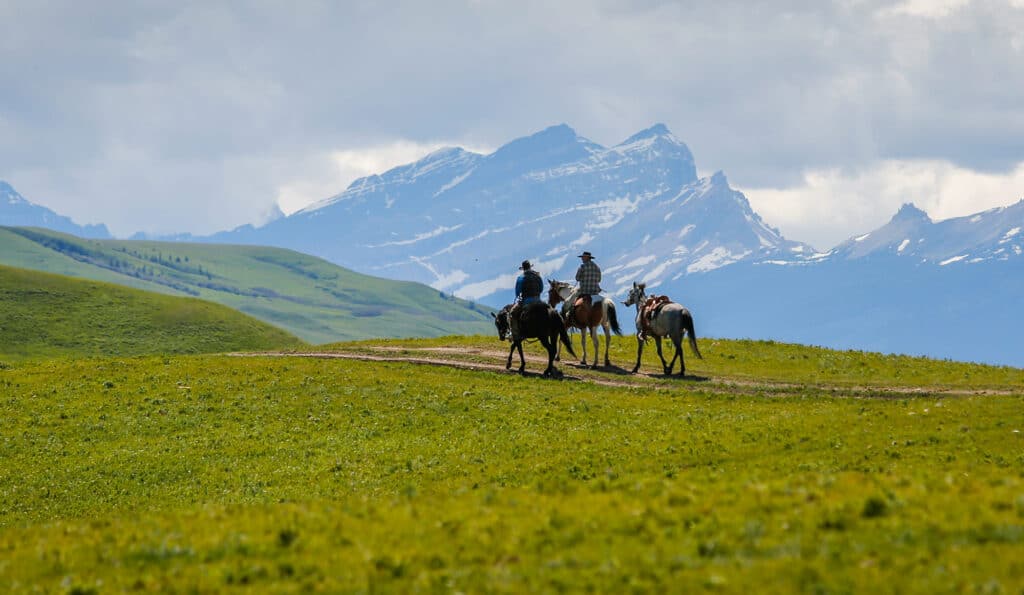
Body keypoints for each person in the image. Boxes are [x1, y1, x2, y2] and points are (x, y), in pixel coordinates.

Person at [565, 251, 602, 326]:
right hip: (595, 291)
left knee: (570, 302)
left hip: (584, 291)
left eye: (583, 257)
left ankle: (570, 317)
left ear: (587, 258)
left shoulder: (582, 266)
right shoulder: (597, 267)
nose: (582, 259)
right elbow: (599, 280)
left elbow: (577, 278)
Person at [509, 260, 543, 340]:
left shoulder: (521, 278)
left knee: (513, 313)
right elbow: (541, 289)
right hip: (538, 301)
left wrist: (520, 296)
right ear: (530, 267)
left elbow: (517, 292)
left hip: (527, 301)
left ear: (523, 268)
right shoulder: (538, 276)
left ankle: (515, 334)